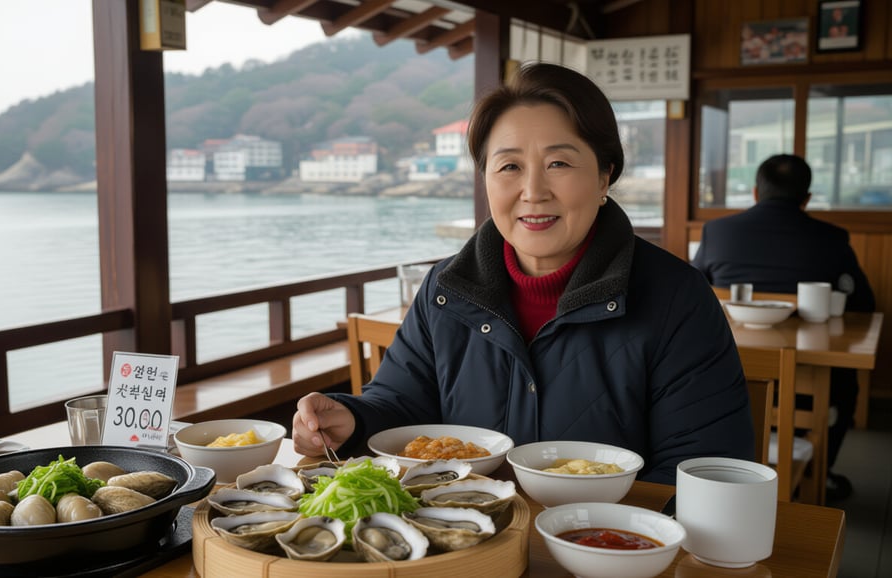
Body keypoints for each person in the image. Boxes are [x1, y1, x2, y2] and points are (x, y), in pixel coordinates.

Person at [292, 62, 755, 485]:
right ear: (486, 179)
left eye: (559, 163)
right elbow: (403, 404)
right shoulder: (446, 288)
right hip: (469, 533)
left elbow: (703, 468)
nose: (533, 191)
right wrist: (351, 420)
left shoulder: (676, 297)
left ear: (604, 177)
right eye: (509, 166)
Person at [692, 153, 876, 501]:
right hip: (806, 374)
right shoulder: (832, 238)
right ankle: (819, 474)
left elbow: (696, 291)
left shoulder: (718, 231)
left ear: (755, 192)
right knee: (844, 386)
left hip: (727, 371)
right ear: (806, 198)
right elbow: (864, 302)